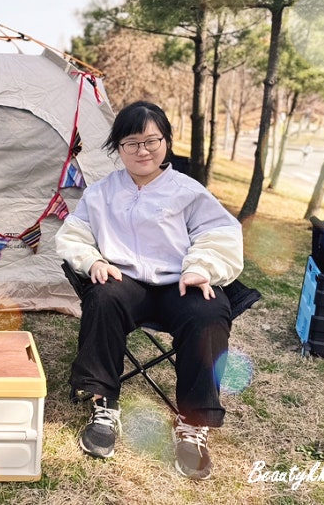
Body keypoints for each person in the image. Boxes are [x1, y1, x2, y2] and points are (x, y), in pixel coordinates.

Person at [55, 100, 244, 480]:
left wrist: (200, 268)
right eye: (131, 143)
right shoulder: (102, 193)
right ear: (118, 147)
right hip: (125, 281)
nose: (143, 151)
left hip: (179, 283)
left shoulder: (187, 191)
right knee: (102, 296)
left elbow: (219, 233)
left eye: (151, 140)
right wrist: (93, 261)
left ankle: (192, 424)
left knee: (208, 312)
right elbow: (74, 235)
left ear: (166, 142)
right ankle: (104, 405)